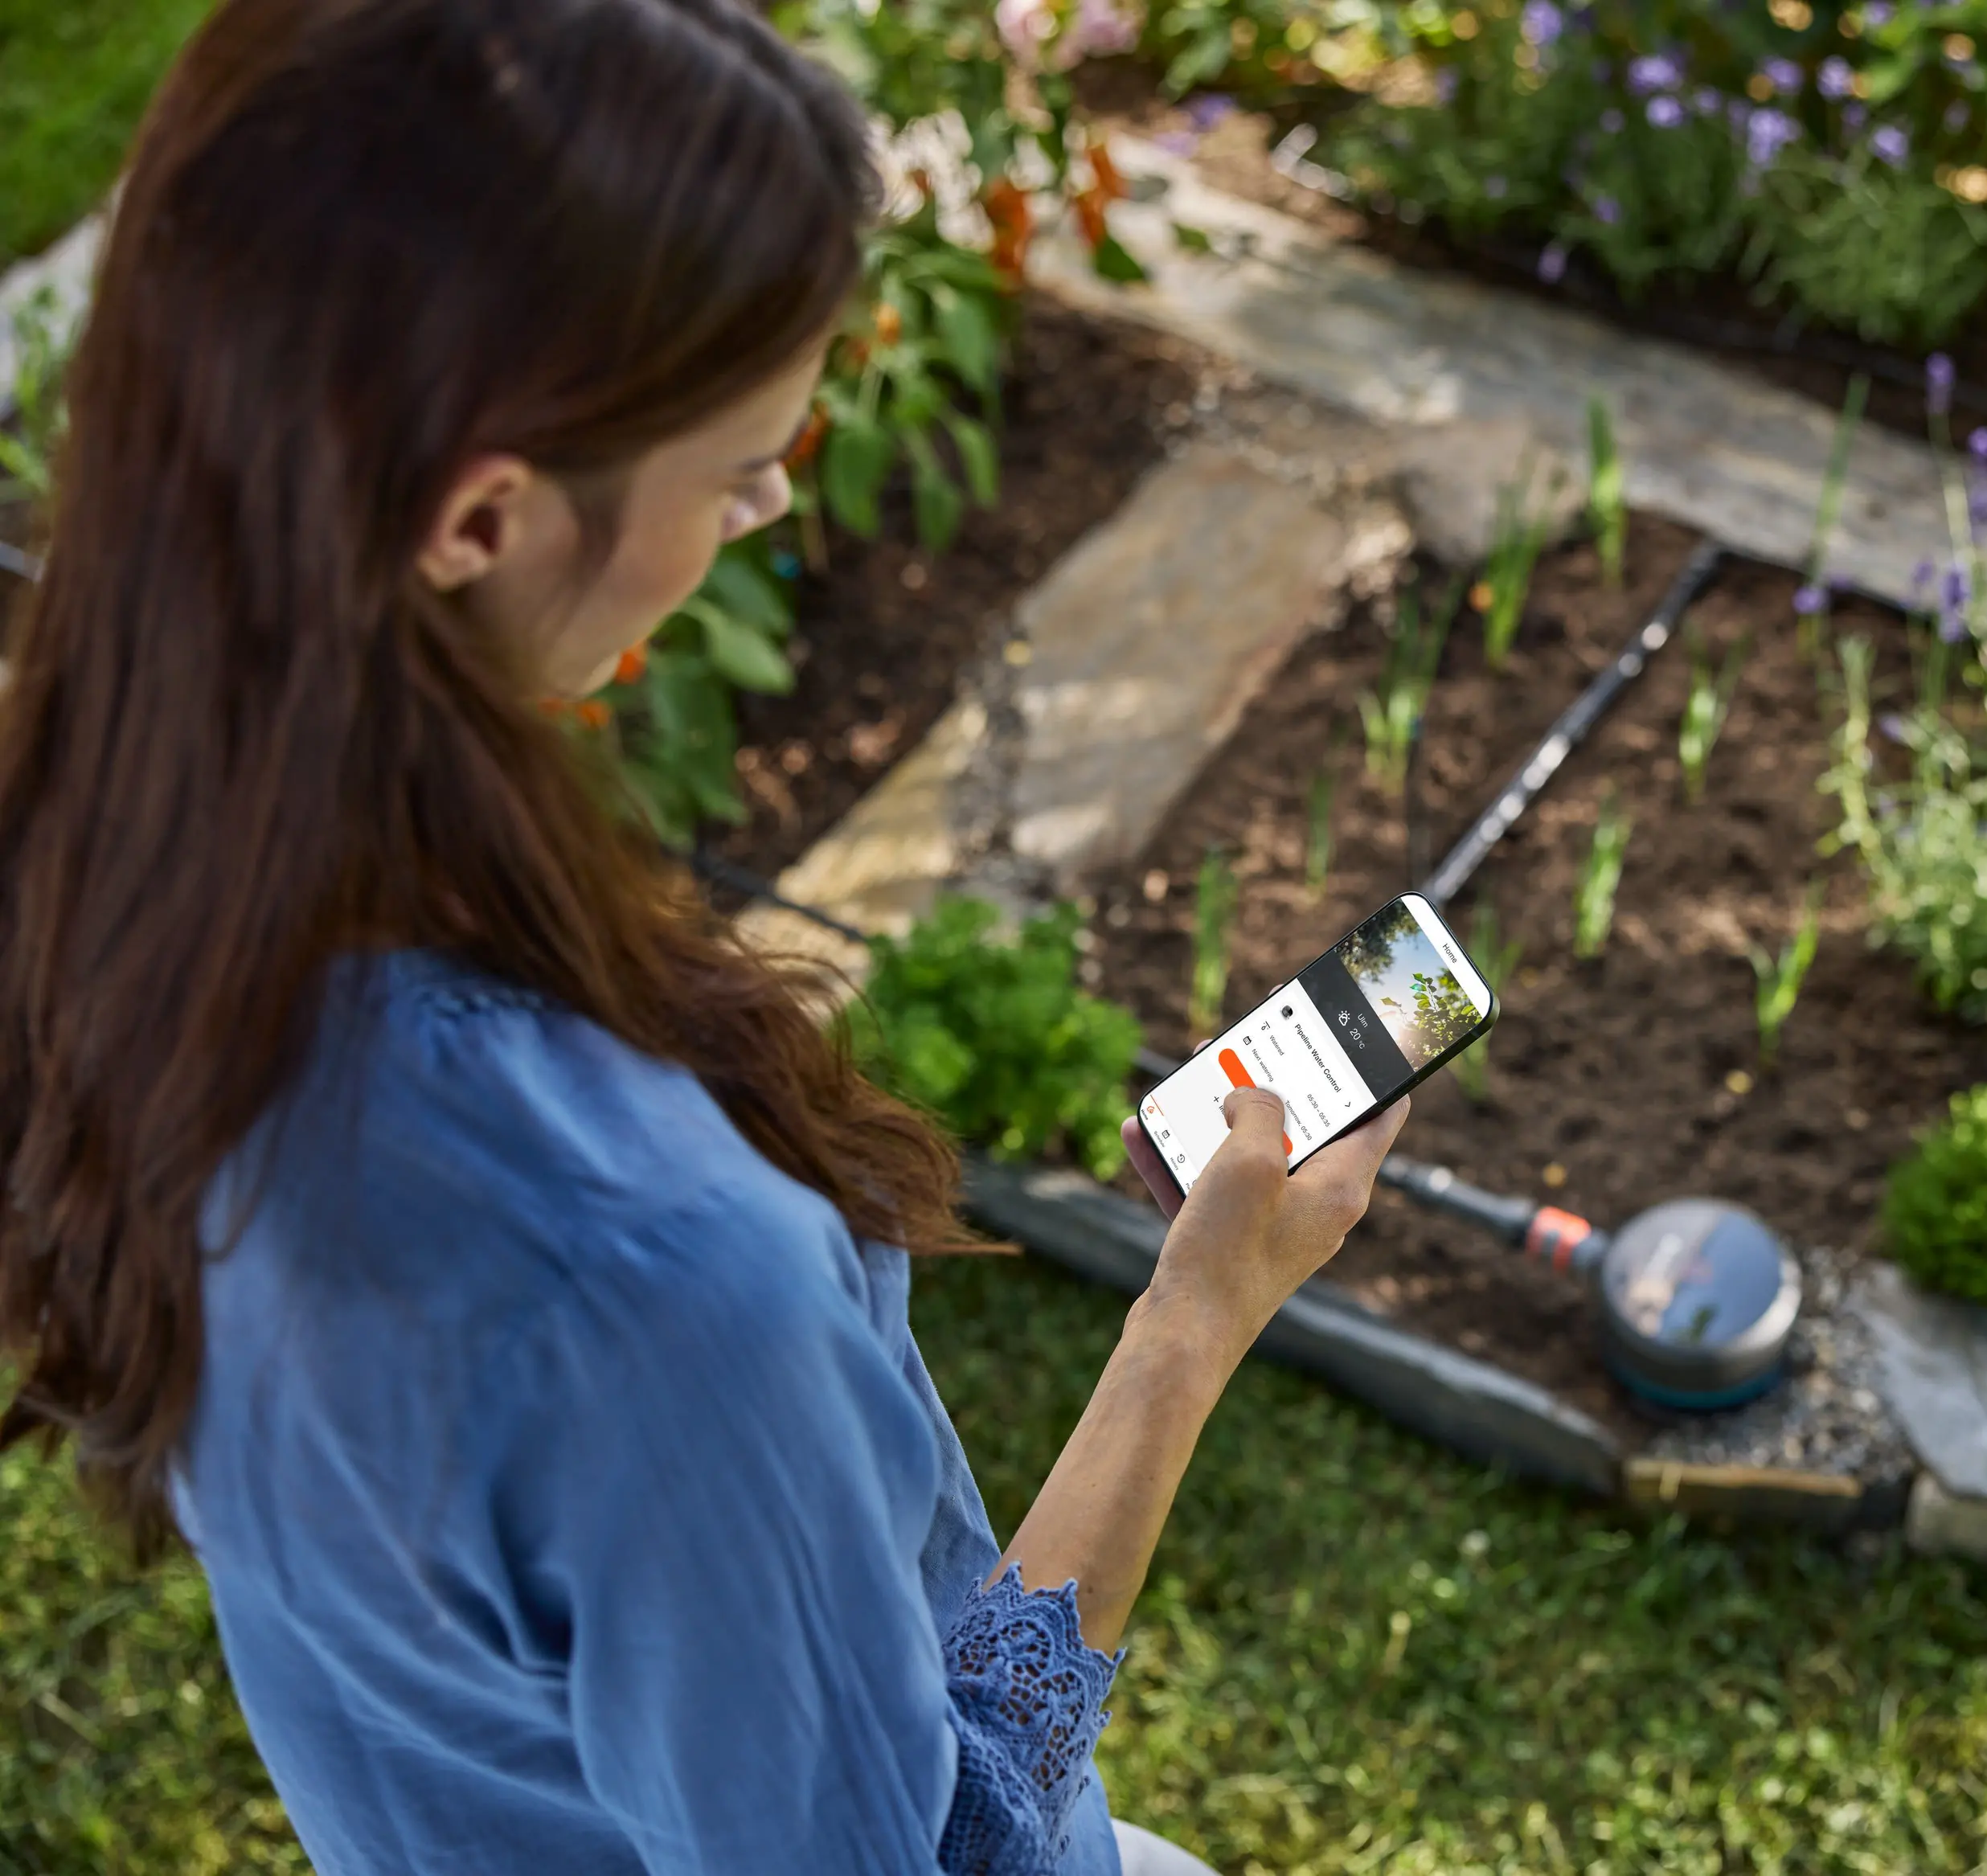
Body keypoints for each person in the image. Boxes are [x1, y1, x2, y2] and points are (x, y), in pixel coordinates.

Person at [0, 2, 1406, 1871]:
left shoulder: (106, 871)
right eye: (739, 461)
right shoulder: (649, 1275)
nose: (768, 505)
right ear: (481, 516)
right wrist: (1194, 1317)